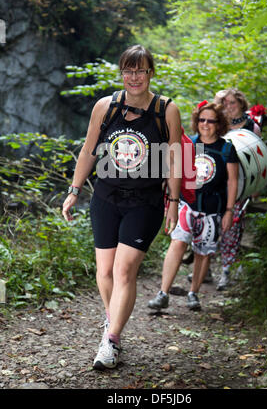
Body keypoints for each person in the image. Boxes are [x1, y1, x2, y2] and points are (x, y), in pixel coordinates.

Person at [62, 45, 182, 370]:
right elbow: (88, 151)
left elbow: (174, 160)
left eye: (140, 70)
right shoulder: (106, 107)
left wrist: (173, 200)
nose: (134, 77)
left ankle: (111, 341)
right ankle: (112, 320)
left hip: (145, 201)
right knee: (104, 272)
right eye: (128, 71)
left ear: (150, 73)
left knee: (124, 270)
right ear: (121, 73)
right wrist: (74, 191)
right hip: (106, 197)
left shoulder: (165, 109)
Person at [148, 101, 239, 311]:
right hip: (186, 205)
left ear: (219, 123)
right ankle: (163, 293)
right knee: (178, 243)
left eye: (211, 120)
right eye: (202, 119)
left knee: (202, 252)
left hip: (212, 209)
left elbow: (232, 181)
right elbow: (174, 173)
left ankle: (193, 293)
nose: (205, 124)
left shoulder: (226, 149)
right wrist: (169, 201)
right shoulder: (188, 143)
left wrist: (229, 210)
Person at [213, 88, 261, 290]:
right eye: (225, 103)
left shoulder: (252, 127)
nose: (229, 107)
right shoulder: (219, 125)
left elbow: (259, 160)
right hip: (217, 183)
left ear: (241, 103)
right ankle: (203, 267)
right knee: (211, 223)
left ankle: (226, 270)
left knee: (232, 226)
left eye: (232, 103)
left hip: (241, 184)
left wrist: (256, 186)